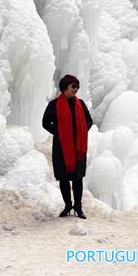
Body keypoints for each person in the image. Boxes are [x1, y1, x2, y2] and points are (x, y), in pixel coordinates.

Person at [42, 74, 93, 219]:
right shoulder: (54, 105)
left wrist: (81, 131)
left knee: (78, 179)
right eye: (73, 86)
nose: (76, 89)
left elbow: (89, 121)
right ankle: (67, 206)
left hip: (78, 149)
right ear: (65, 87)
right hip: (61, 148)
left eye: (77, 87)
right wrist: (59, 133)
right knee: (64, 179)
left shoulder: (81, 104)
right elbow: (45, 123)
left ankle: (78, 207)